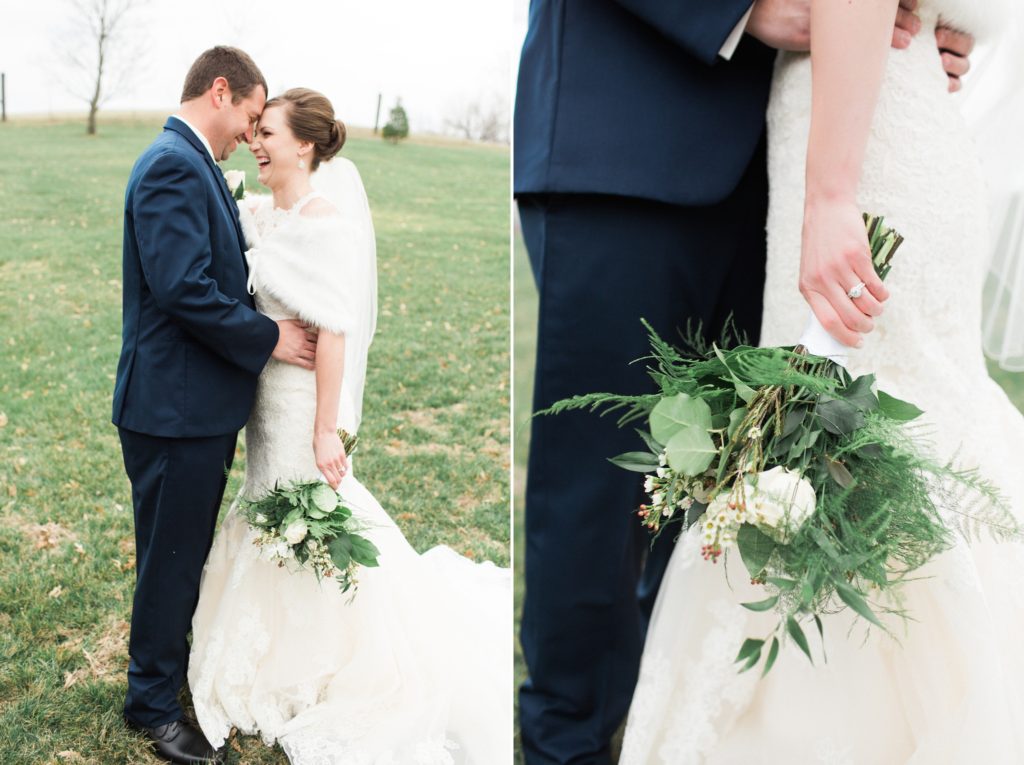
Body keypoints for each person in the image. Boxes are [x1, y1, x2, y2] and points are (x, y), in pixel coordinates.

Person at [513, 1, 975, 761]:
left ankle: (670, 723)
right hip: (631, 133)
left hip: (800, 153)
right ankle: (567, 741)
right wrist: (739, 11)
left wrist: (925, 36)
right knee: (599, 496)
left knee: (736, 499)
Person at [620, 0, 1024, 761]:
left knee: (860, 413)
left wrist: (831, 197)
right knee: (861, 417)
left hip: (864, 144)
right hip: (884, 104)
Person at [186, 88, 511, 765]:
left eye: (267, 132)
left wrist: (327, 429)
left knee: (312, 512)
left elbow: (334, 331)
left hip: (302, 405)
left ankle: (322, 658)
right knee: (264, 504)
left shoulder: (324, 223)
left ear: (303, 145)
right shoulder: (263, 214)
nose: (256, 140)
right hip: (262, 407)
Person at [113, 46, 317, 764]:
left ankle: (163, 673)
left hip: (189, 405)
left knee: (177, 552)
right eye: (251, 117)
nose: (251, 135)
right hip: (173, 409)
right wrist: (269, 338)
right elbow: (182, 286)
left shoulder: (188, 162)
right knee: (170, 559)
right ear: (221, 92)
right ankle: (150, 704)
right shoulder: (173, 163)